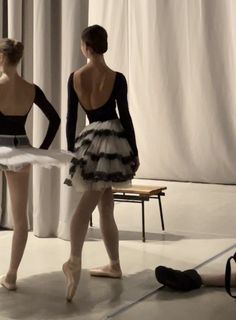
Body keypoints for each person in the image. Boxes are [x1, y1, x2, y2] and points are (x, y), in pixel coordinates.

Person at [63, 25, 139, 302]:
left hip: (91, 143)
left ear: (86, 47)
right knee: (101, 206)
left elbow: (72, 118)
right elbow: (125, 116)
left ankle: (86, 263)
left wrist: (72, 152)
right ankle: (82, 263)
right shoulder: (116, 78)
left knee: (99, 206)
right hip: (113, 142)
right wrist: (134, 150)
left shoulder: (75, 77)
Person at [0, 38, 70, 290]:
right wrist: (40, 150)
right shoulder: (31, 88)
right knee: (21, 219)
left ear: (1, 58)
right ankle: (11, 275)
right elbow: (55, 119)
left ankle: (10, 276)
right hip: (21, 150)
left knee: (20, 218)